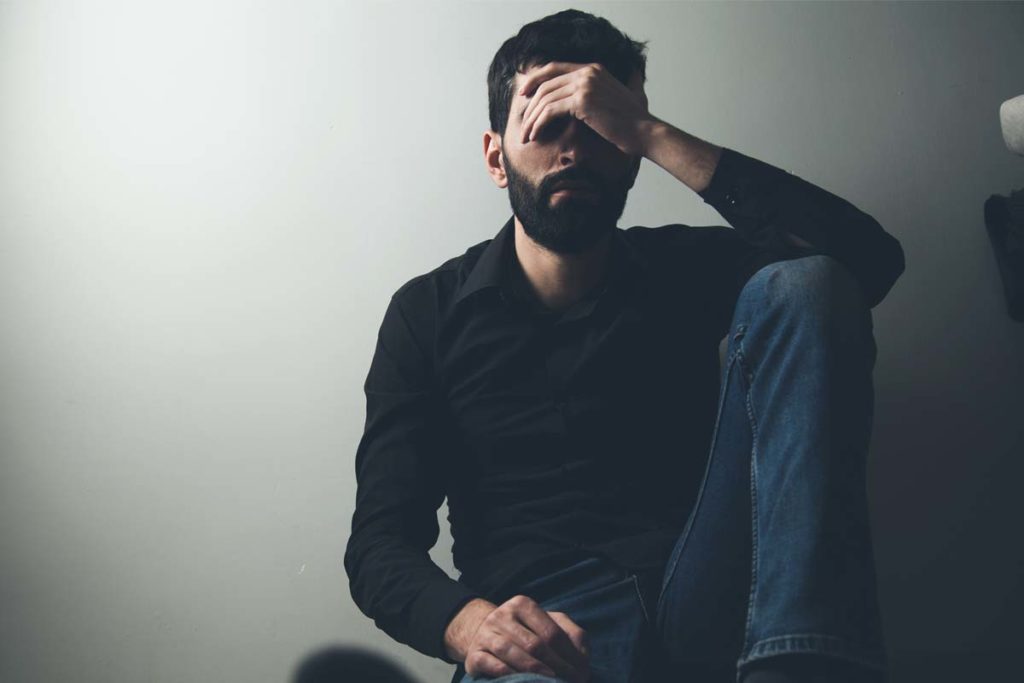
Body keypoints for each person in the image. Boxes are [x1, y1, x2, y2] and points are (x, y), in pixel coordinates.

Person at [344, 9, 904, 683]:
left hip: (711, 594)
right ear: (497, 157)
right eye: (548, 124)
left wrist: (647, 130)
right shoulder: (427, 314)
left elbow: (865, 262)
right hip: (549, 631)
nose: (574, 151)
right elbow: (379, 542)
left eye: (598, 127)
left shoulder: (684, 270)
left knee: (806, 281)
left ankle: (801, 665)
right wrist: (468, 623)